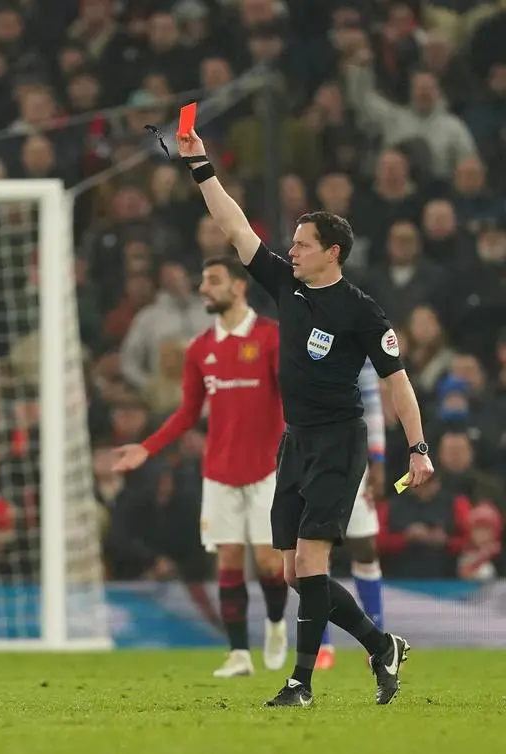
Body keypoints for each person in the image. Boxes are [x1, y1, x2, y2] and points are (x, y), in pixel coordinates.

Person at [176, 127, 434, 708]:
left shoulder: (362, 311)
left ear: (331, 253)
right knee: (294, 573)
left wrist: (417, 449)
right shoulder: (285, 286)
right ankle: (381, 644)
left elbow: (398, 383)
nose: (290, 250)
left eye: (302, 244)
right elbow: (235, 227)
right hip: (294, 443)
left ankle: (300, 684)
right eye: (291, 243)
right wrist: (200, 166)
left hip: (340, 442)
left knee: (312, 561)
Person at [113, 256, 289, 678]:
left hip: (266, 470)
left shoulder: (271, 337)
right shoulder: (200, 348)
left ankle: (277, 624)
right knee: (228, 560)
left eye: (213, 281)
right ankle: (238, 654)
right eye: (203, 281)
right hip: (219, 472)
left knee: (268, 562)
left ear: (239, 287)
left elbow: (290, 401)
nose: (204, 289)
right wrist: (147, 447)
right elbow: (188, 413)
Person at [318, 361, 387, 669]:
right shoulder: (296, 332)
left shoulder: (356, 334)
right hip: (308, 452)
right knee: (314, 547)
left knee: (365, 546)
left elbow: (371, 400)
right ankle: (321, 644)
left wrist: (379, 458)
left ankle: (376, 637)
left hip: (353, 451)